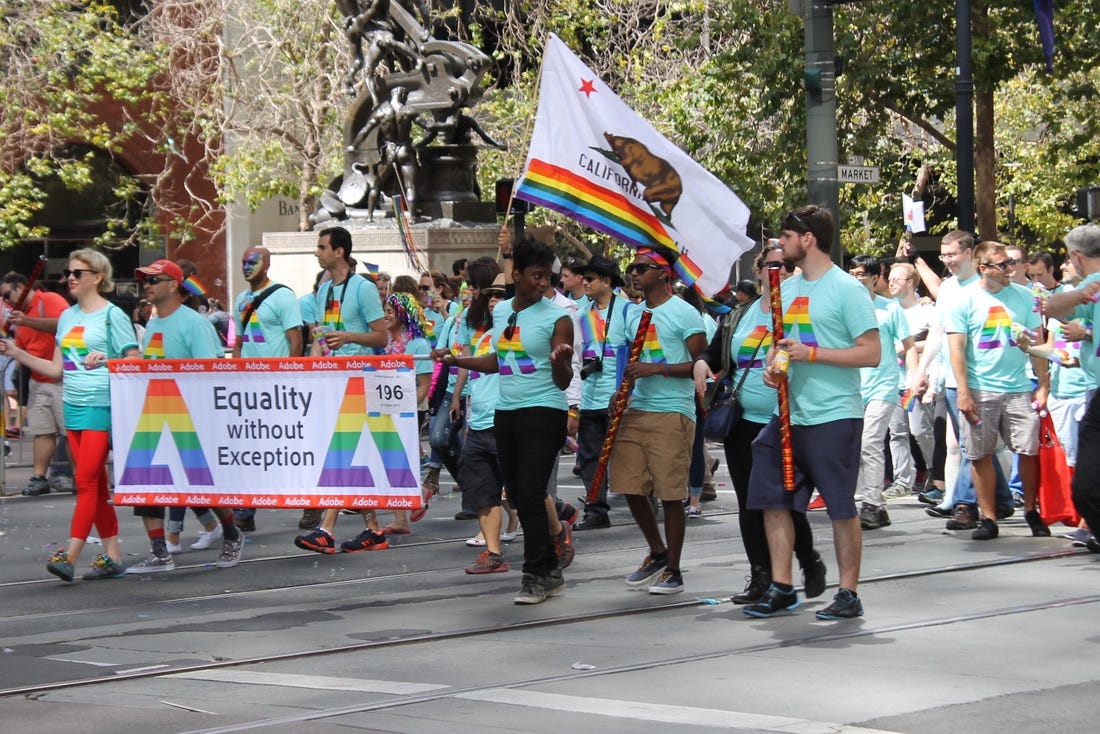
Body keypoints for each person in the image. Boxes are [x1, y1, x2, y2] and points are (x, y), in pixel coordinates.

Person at [743, 205, 879, 620]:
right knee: (773, 498)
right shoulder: (789, 287)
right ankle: (782, 586)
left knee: (840, 505)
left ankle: (848, 592)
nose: (780, 243)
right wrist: (774, 367)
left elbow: (871, 352)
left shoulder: (846, 288)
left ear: (808, 239)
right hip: (788, 415)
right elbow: (782, 344)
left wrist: (812, 354)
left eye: (786, 236)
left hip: (834, 415)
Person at [434, 237, 575, 604]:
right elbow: (498, 360)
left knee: (528, 490)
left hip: (544, 411)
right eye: (536, 276)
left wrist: (561, 360)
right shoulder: (501, 313)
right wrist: (456, 361)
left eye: (548, 277)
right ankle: (549, 567)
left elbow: (563, 380)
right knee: (515, 492)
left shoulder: (559, 317)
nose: (543, 283)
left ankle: (535, 572)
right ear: (517, 275)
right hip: (507, 412)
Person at [695, 242, 826, 604]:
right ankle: (761, 576)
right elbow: (714, 349)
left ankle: (806, 558)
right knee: (750, 502)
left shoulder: (803, 310)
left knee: (783, 501)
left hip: (787, 420)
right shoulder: (741, 313)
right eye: (770, 266)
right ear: (758, 272)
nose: (778, 273)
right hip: (742, 422)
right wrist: (702, 363)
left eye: (785, 267)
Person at [0, 249, 140, 581]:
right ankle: (113, 555)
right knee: (97, 486)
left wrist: (106, 359)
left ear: (98, 277)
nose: (71, 279)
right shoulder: (68, 317)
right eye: (69, 273)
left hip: (101, 405)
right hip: (73, 405)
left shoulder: (112, 316)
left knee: (86, 481)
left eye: (78, 273)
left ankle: (70, 553)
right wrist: (16, 351)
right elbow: (55, 369)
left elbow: (135, 361)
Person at [124, 259, 247, 573]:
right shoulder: (153, 323)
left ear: (174, 285)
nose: (147, 286)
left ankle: (232, 534)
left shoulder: (194, 323)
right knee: (147, 484)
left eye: (154, 280)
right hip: (153, 414)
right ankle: (160, 553)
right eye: (145, 281)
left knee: (203, 486)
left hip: (188, 419)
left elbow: (211, 372)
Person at [295, 292, 432, 552]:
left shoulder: (418, 345)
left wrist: (403, 412)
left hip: (397, 416)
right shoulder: (382, 345)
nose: (387, 314)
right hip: (377, 412)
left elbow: (423, 387)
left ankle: (334, 529)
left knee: (356, 465)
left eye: (391, 310)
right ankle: (376, 527)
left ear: (404, 314)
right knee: (362, 468)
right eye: (385, 309)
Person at [611, 248, 706, 595]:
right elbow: (627, 361)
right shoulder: (632, 314)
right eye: (631, 268)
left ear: (664, 273)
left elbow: (703, 364)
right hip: (637, 408)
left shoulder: (684, 313)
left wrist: (657, 369)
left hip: (673, 410)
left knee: (669, 493)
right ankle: (657, 551)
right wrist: (618, 391)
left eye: (641, 268)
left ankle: (674, 570)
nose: (634, 273)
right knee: (628, 485)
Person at [946, 242, 1047, 540]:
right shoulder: (963, 300)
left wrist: (1043, 385)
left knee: (1028, 450)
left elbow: (1037, 344)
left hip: (1018, 387)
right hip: (980, 388)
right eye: (1002, 265)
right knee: (980, 454)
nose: (1010, 270)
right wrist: (963, 392)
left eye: (1011, 264)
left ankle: (1031, 510)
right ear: (984, 268)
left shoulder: (1025, 297)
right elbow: (956, 349)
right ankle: (988, 518)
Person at [231, 246, 303, 532]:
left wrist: (290, 377)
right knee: (248, 447)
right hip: (248, 387)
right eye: (243, 262)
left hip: (277, 384)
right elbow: (238, 342)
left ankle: (311, 502)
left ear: (267, 264)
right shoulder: (240, 300)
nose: (246, 267)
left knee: (287, 446)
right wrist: (234, 374)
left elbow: (295, 341)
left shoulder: (283, 296)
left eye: (253, 261)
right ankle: (244, 510)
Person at [848, 255, 915, 530]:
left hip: (883, 386)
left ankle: (872, 504)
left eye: (862, 273)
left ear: (876, 278)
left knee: (870, 442)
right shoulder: (846, 309)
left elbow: (909, 345)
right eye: (852, 273)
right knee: (853, 445)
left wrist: (914, 378)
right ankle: (875, 505)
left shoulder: (890, 309)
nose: (856, 278)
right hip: (853, 386)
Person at [1045, 225, 1100, 552]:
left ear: (1077, 257)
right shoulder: (1091, 288)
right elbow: (1051, 308)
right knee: (1086, 482)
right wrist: (1080, 295)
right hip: (1092, 390)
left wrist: (1088, 332)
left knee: (1086, 484)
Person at [573, 256, 634, 531]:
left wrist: (628, 390)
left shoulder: (626, 310)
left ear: (607, 282)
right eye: (583, 278)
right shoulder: (581, 313)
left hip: (618, 397)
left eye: (590, 278)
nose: (584, 282)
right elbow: (577, 353)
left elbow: (636, 351)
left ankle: (646, 500)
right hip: (590, 396)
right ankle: (596, 509)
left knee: (627, 454)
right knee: (589, 456)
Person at [1, 272, 73, 496]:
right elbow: (24, 350)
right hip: (38, 381)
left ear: (21, 287)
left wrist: (27, 320)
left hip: (63, 380)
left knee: (70, 433)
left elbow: (64, 326)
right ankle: (39, 478)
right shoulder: (18, 317)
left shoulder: (49, 299)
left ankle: (81, 477)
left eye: (6, 295)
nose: (5, 301)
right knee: (43, 432)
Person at [310, 227, 387, 357]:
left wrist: (348, 337)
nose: (316, 253)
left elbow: (382, 338)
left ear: (339, 252)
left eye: (322, 248)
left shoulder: (364, 287)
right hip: (330, 372)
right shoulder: (323, 289)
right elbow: (320, 336)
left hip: (357, 371)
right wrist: (315, 366)